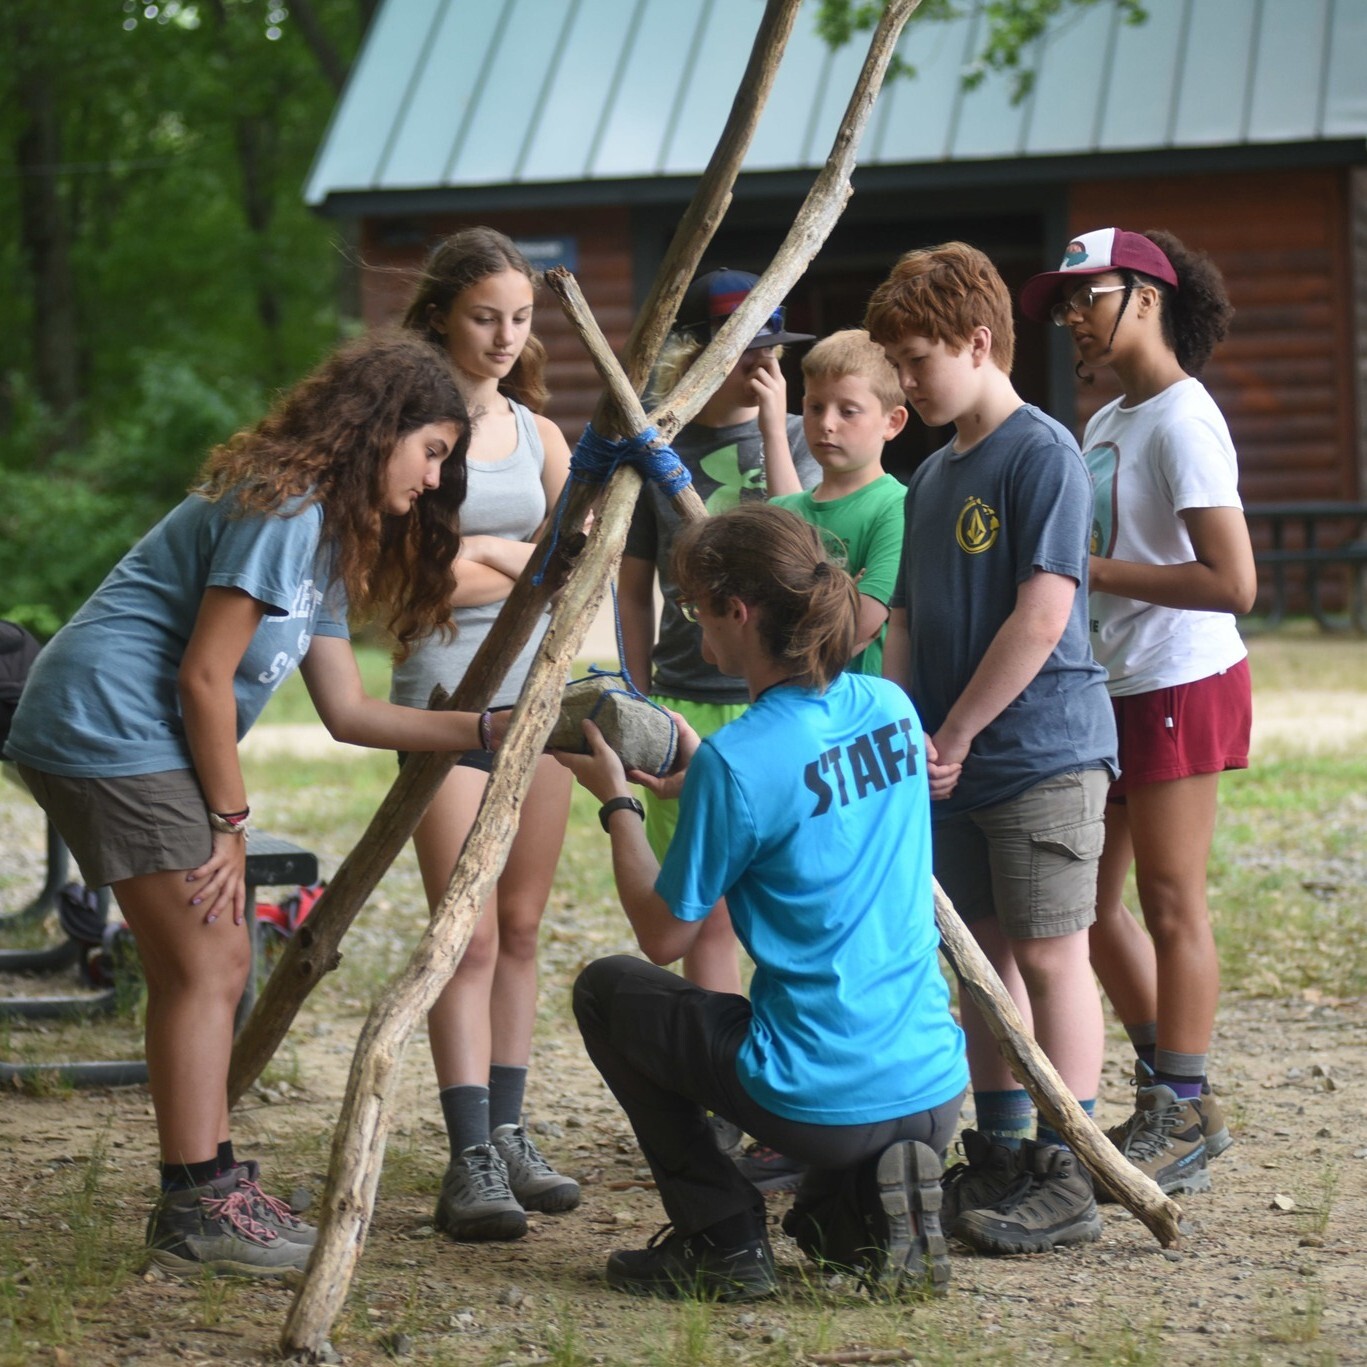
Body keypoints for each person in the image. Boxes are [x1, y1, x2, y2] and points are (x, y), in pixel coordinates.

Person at [3, 331, 485, 1278]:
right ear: (381, 431)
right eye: (431, 450)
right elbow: (205, 675)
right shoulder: (287, 509)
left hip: (139, 735)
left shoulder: (329, 534)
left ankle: (211, 1178)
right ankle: (195, 1203)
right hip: (108, 727)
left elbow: (347, 713)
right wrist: (230, 826)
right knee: (208, 957)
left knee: (211, 957)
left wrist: (486, 729)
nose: (436, 477)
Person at [561, 503, 968, 1301]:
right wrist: (708, 761)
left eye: (695, 606)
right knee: (821, 1237)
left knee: (608, 991)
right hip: (931, 1081)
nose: (693, 623)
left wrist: (617, 804)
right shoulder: (888, 706)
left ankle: (719, 1237)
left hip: (815, 1097)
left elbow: (662, 934)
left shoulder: (739, 765)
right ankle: (862, 1203)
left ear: (736, 612)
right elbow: (810, 786)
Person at [866, 242, 1118, 1255]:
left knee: (1054, 955)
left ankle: (1074, 1160)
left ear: (978, 341)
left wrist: (958, 729)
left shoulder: (1041, 454)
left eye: (916, 357)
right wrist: (899, 724)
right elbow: (905, 623)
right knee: (977, 960)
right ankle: (1003, 1147)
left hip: (1039, 752)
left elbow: (1043, 613)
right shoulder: (926, 478)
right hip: (944, 762)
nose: (904, 379)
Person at [1019, 228, 1255, 1194]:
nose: (1070, 317)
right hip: (1111, 688)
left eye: (1086, 296)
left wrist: (1086, 570)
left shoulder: (1181, 419)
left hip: (1179, 681)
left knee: (1167, 900)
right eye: (1063, 302)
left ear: (1146, 297)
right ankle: (1170, 1088)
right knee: (1090, 905)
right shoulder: (1108, 419)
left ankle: (1182, 1101)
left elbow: (1232, 581)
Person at [391, 227, 578, 1241]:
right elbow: (401, 578)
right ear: (441, 314)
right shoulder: (407, 427)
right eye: (483, 316)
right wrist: (513, 555)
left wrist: (489, 558)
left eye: (520, 317)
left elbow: (567, 575)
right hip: (441, 695)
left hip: (535, 700)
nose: (505, 335)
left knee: (518, 925)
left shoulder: (540, 435)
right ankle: (465, 1154)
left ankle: (507, 1132)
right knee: (457, 931)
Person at [618, 268, 819, 1178]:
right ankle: (720, 1093)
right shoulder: (657, 446)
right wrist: (637, 686)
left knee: (771, 902)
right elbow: (631, 579)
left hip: (767, 703)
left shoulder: (798, 442)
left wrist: (777, 429)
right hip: (686, 694)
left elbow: (800, 546)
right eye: (745, 355)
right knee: (700, 908)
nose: (761, 371)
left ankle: (779, 1092)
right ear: (696, 355)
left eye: (775, 355)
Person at [770, 328, 909, 677]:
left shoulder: (897, 506)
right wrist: (844, 596)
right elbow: (753, 629)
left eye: (848, 411)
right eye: (815, 407)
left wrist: (800, 614)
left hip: (861, 714)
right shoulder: (780, 510)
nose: (826, 424)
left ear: (892, 422)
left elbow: (862, 623)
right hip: (789, 713)